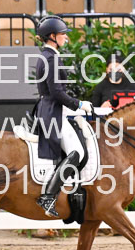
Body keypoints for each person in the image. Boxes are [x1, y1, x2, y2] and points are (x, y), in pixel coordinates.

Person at [32, 16, 93, 218]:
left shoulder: (47, 56)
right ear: (52, 36)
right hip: (52, 112)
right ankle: (48, 196)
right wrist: (79, 104)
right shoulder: (51, 59)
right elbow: (57, 93)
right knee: (77, 152)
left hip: (51, 108)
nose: (66, 38)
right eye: (62, 34)